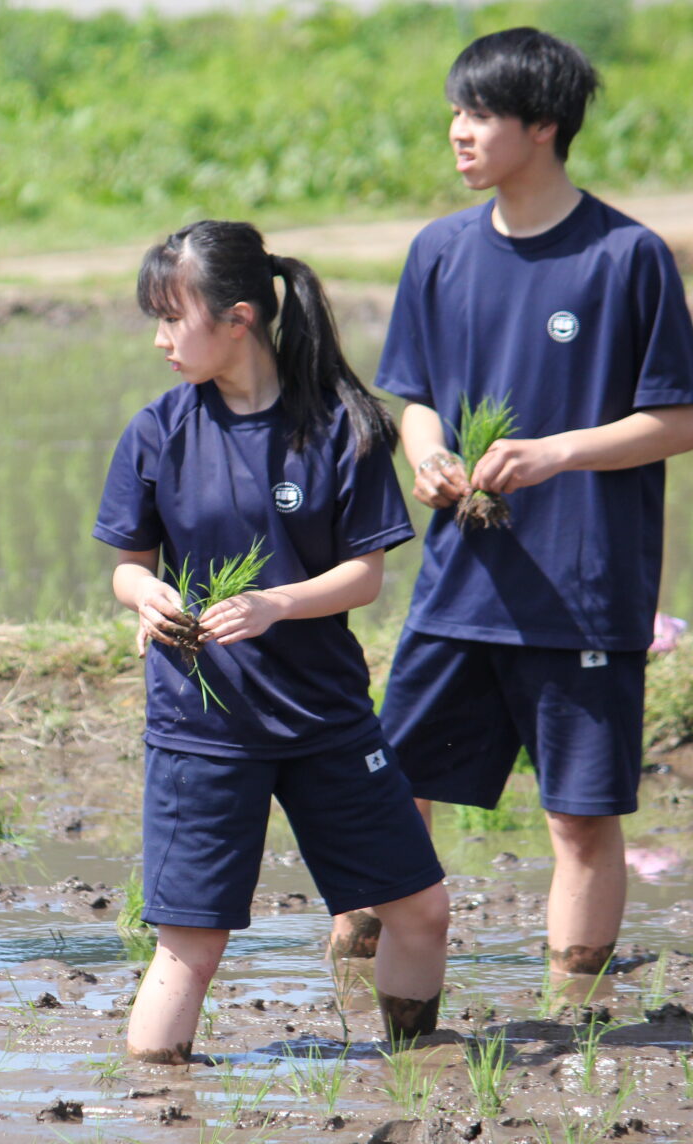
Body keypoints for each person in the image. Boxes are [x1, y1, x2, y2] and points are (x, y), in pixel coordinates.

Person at [353, 27, 693, 978]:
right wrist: (427, 456)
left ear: (543, 126)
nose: (459, 134)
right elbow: (417, 396)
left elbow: (680, 420)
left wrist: (557, 453)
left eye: (479, 116)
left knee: (581, 818)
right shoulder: (440, 252)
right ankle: (362, 960)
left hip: (582, 587)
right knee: (392, 780)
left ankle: (574, 1009)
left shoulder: (627, 257)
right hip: (462, 582)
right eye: (455, 115)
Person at [94, 220, 451, 1060]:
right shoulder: (159, 431)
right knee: (193, 944)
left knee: (421, 911)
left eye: (172, 318)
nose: (159, 340)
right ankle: (157, 1109)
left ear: (239, 318)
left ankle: (414, 1075)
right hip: (202, 726)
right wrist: (146, 596)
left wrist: (274, 604)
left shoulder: (340, 427)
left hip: (324, 718)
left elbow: (364, 577)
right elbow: (128, 568)